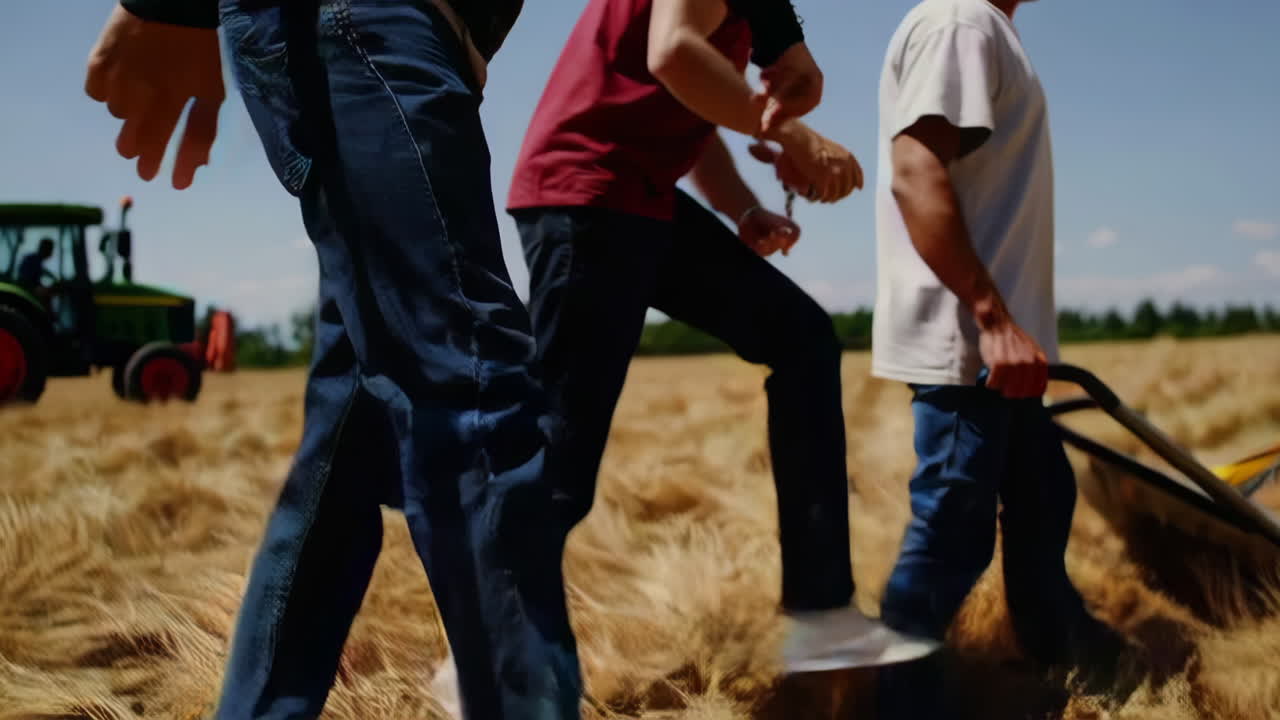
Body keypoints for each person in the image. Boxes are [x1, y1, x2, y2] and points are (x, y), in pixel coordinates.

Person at [84, 1, 849, 718]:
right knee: (476, 394)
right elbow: (673, 52)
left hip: (411, 44)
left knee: (350, 446)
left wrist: (779, 37)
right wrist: (167, 6)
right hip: (372, 29)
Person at [506, 0, 942, 672]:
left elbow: (693, 108)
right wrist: (794, 133)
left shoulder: (753, 15)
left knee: (802, 339)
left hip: (643, 195)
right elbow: (673, 54)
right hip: (587, 193)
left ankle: (821, 613)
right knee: (558, 458)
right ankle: (491, 656)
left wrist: (742, 205)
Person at [869, 0, 1130, 716]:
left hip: (1004, 347)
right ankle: (901, 700)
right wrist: (992, 318)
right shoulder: (961, 22)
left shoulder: (987, 30)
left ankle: (1060, 641)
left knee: (1043, 494)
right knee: (954, 528)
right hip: (974, 345)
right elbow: (915, 169)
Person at [17, 238, 57, 302]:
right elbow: (27, 280)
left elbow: (42, 272)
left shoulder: (35, 260)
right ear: (45, 249)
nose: (51, 252)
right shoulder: (33, 260)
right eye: (51, 249)